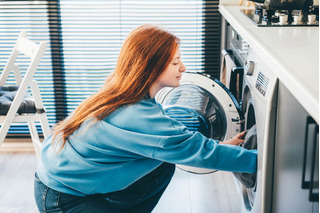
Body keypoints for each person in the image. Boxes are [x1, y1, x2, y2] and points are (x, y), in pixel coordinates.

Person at [34, 24, 257, 213]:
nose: (183, 67)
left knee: (163, 163)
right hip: (64, 200)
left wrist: (221, 145)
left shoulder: (120, 92)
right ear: (150, 67)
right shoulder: (137, 115)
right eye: (174, 62)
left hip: (56, 181)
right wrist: (262, 161)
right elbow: (196, 151)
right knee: (165, 161)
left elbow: (178, 141)